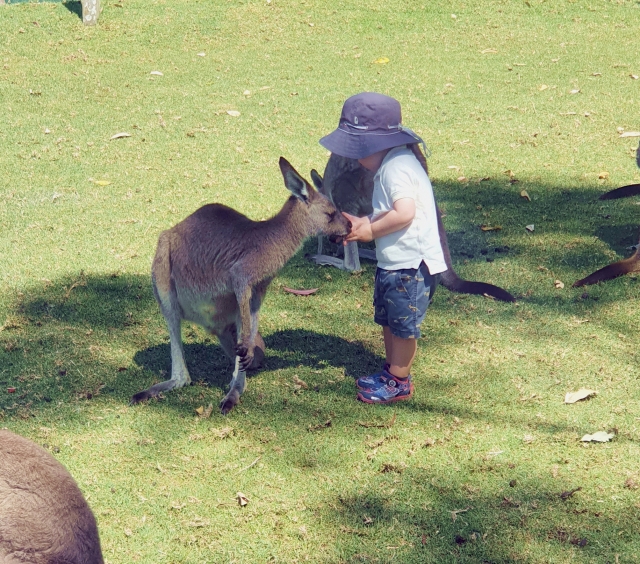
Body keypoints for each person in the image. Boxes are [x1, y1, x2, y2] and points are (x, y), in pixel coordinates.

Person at [319, 92, 447, 403]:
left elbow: (405, 213)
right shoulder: (393, 161)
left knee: (403, 326)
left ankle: (399, 381)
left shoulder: (396, 168)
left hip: (410, 266)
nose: (352, 157)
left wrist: (372, 229)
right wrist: (364, 223)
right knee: (389, 319)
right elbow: (391, 210)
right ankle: (391, 370)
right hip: (394, 262)